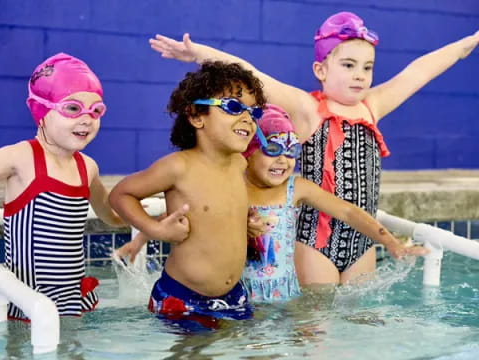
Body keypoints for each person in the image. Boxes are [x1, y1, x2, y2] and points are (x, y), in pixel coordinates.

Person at [149, 12, 479, 285]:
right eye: (348, 65)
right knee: (316, 326)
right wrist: (199, 54)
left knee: (361, 323)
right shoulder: (308, 109)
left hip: (360, 240)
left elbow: (419, 72)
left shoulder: (373, 106)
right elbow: (253, 74)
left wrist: (467, 43)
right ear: (321, 70)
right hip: (315, 241)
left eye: (367, 67)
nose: (360, 76)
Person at [109, 61, 267, 329]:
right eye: (233, 107)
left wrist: (246, 224)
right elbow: (120, 195)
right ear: (196, 115)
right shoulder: (178, 167)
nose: (247, 118)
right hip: (184, 298)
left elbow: (217, 212)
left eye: (254, 111)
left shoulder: (240, 163)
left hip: (233, 295)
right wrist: (156, 231)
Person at [241, 104, 427, 303]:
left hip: (287, 296)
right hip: (244, 297)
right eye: (272, 149)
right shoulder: (234, 189)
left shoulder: (295, 188)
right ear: (249, 151)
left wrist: (391, 242)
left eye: (291, 151)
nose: (283, 160)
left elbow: (347, 212)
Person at [0, 53, 127, 320]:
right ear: (41, 111)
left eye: (96, 111)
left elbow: (110, 216)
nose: (86, 119)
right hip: (26, 301)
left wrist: (147, 218)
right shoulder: (21, 158)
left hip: (71, 300)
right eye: (72, 108)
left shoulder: (87, 167)